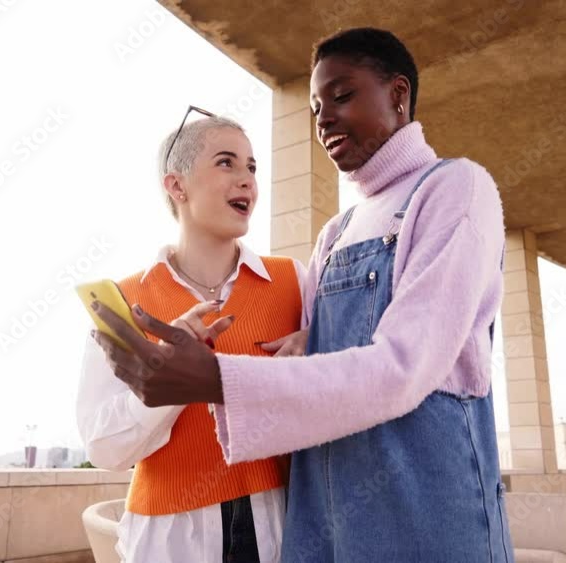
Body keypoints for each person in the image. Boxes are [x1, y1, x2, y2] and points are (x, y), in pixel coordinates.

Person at [93, 28, 512, 562]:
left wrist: (213, 378)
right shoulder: (335, 234)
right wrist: (308, 341)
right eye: (315, 108)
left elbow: (406, 366)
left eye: (341, 96)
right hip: (325, 520)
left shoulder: (453, 189)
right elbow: (328, 357)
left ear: (398, 94)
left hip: (425, 517)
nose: (324, 120)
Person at [75, 111, 308, 563]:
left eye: (252, 167)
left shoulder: (294, 282)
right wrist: (168, 372)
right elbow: (104, 448)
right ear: (177, 186)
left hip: (280, 523)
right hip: (168, 539)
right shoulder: (124, 302)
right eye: (227, 163)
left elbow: (349, 377)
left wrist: (317, 342)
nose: (247, 181)